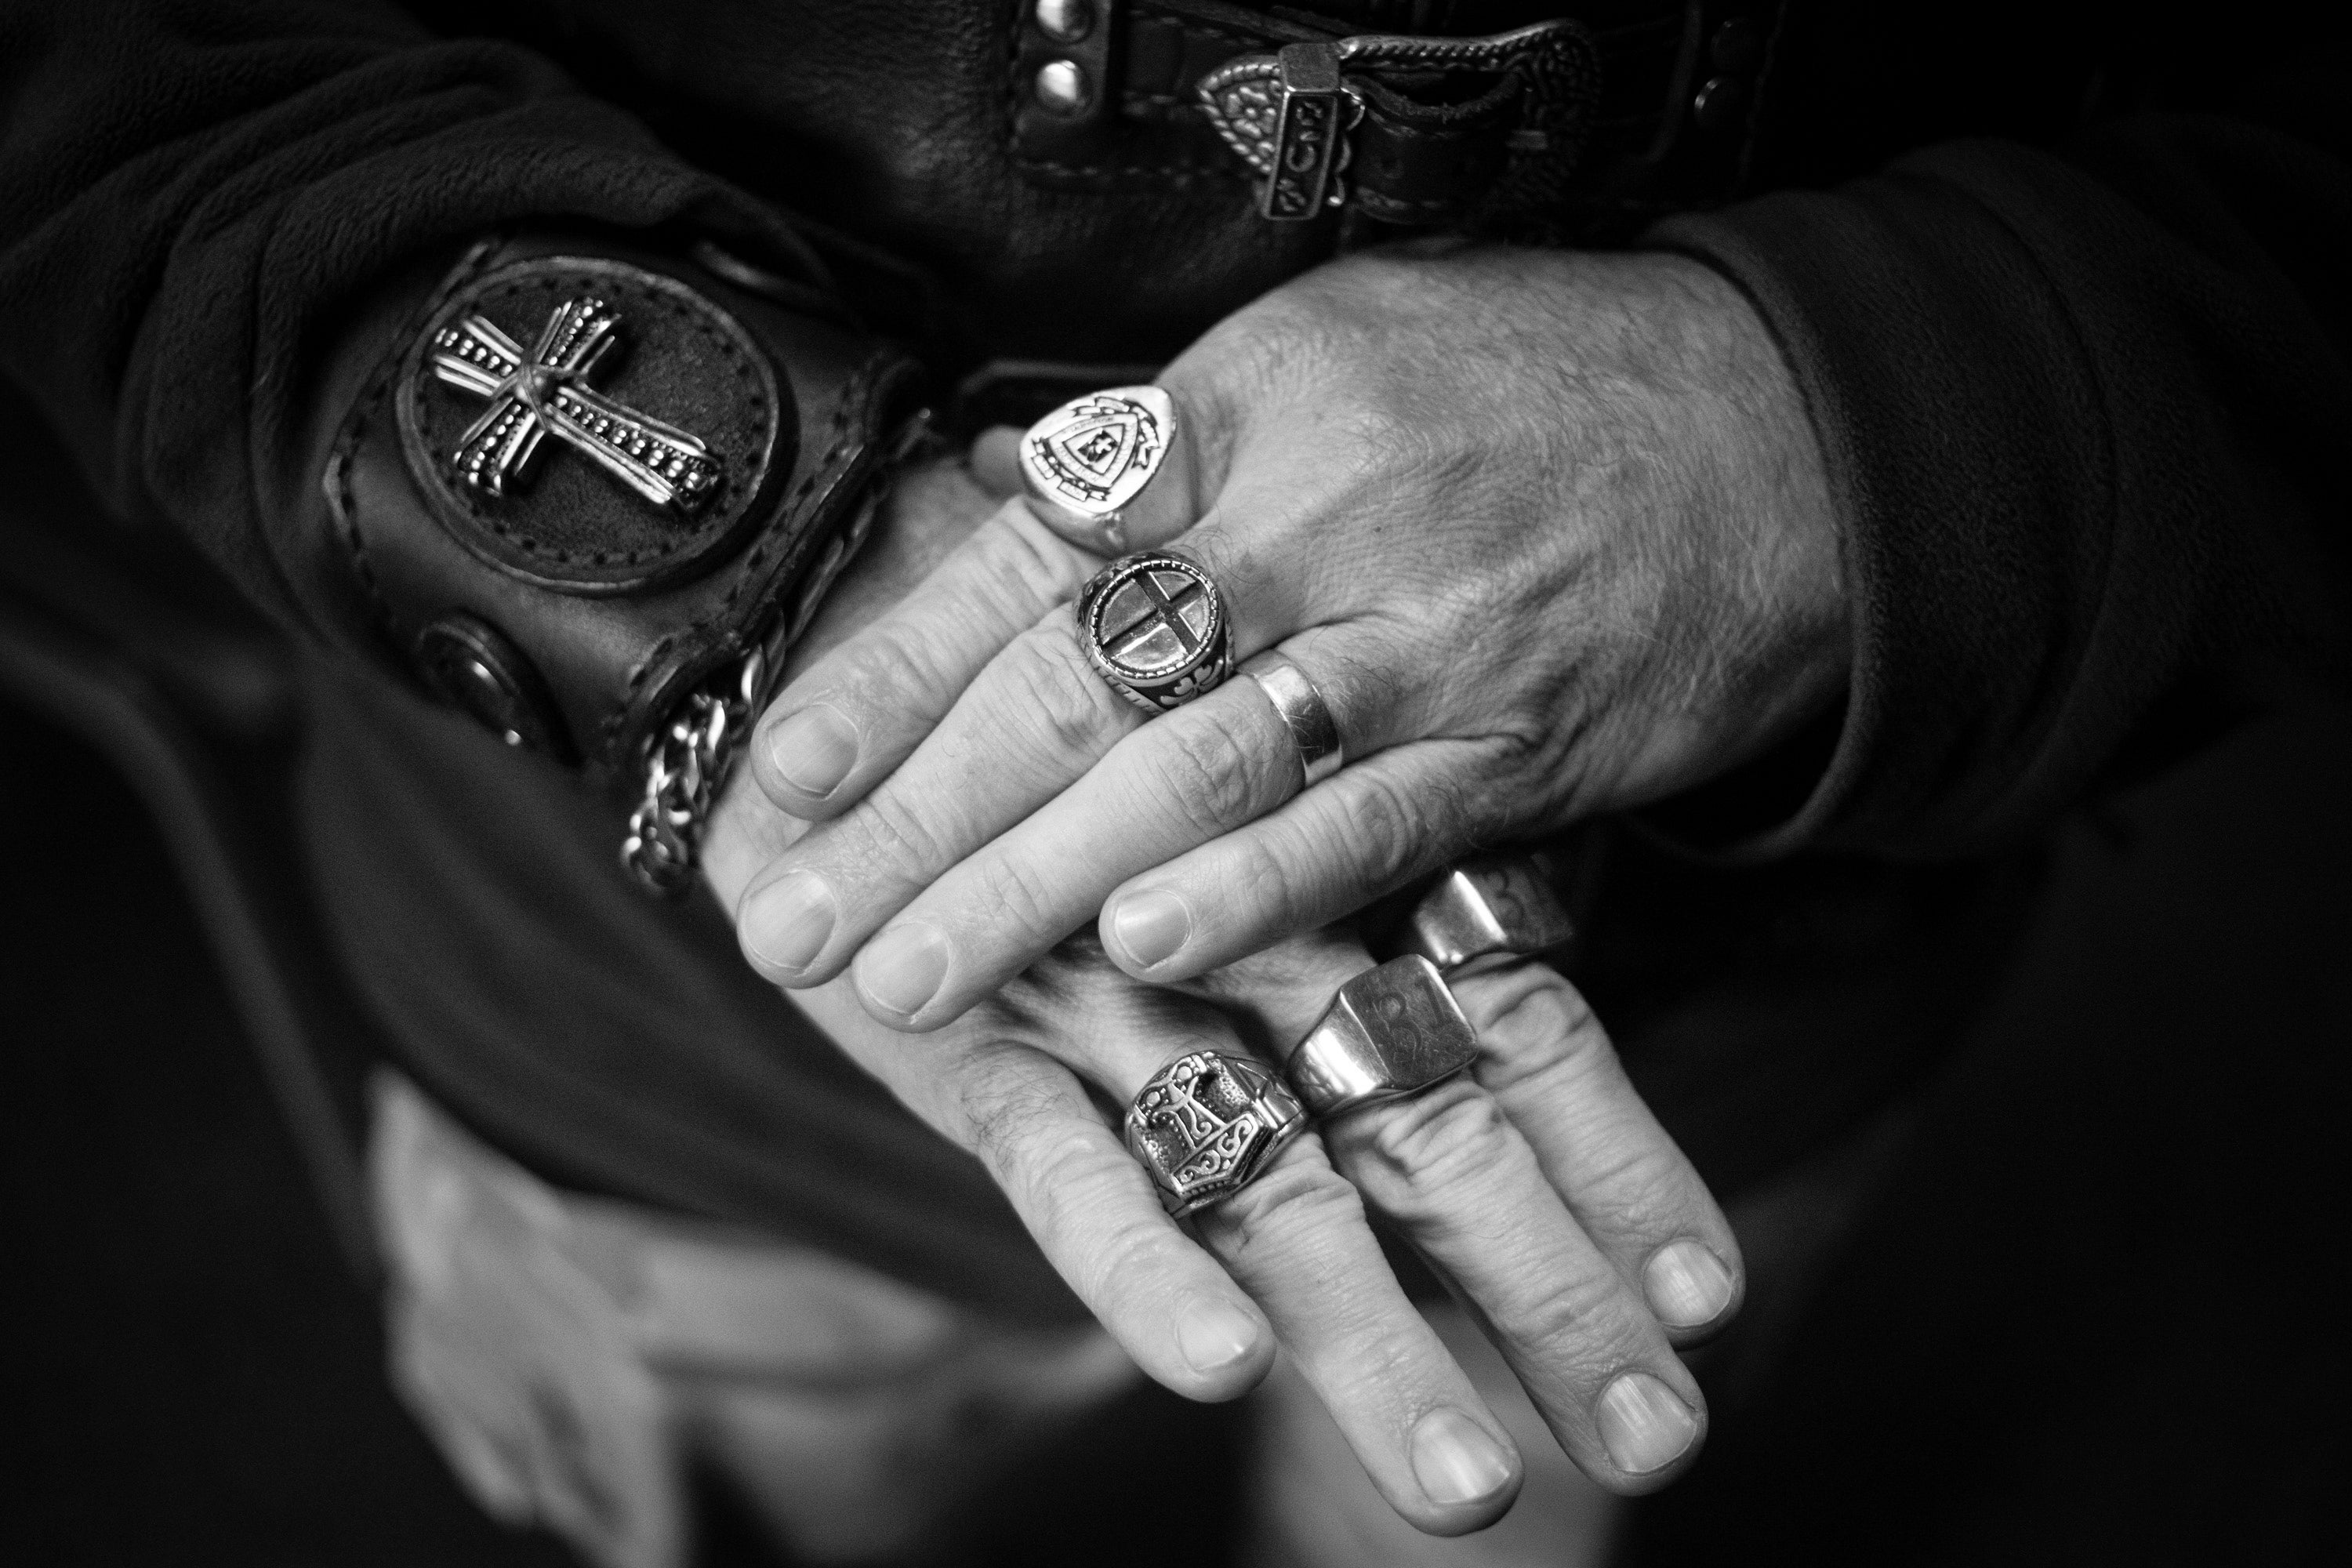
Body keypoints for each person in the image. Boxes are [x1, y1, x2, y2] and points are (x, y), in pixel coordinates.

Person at [3, 2, 2347, 1563]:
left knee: (1477, 1491)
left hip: (1687, 1054)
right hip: (649, 1036)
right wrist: (743, 548)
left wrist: (1822, 440)